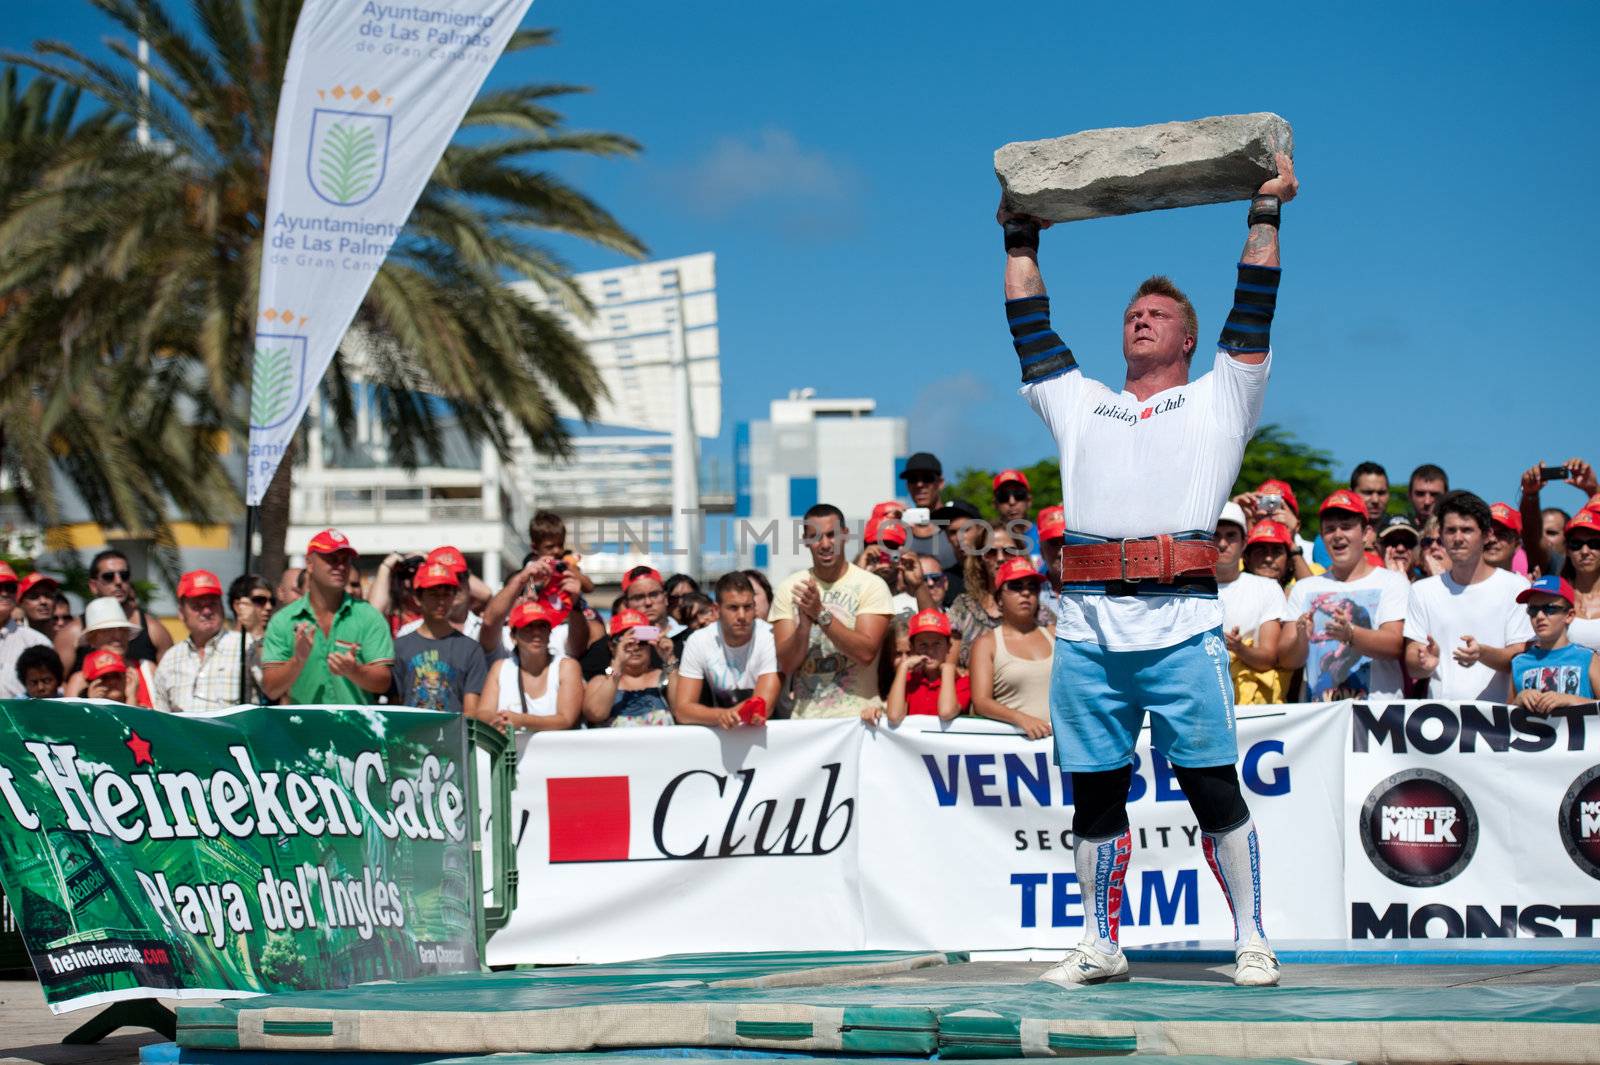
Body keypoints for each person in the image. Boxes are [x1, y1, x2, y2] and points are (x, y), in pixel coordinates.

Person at [999, 149, 1295, 988]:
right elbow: (1029, 331)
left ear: (1188, 337)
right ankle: (1100, 940)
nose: (1140, 319)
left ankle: (1253, 936)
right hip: (1088, 632)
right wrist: (1021, 239)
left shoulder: (1220, 397)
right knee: (1094, 798)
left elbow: (1254, 310)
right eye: (1133, 311)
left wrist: (1265, 212)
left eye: (1158, 312)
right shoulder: (1081, 400)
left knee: (1212, 789)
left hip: (1181, 628)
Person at [1277, 491, 1409, 701]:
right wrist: (1301, 637)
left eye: (1346, 527)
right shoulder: (1304, 589)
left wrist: (1351, 634)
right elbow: (1286, 660)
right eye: (1330, 529)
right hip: (1319, 719)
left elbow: (1395, 645)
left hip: (1377, 721)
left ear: (1366, 533)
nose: (1338, 535)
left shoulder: (1392, 582)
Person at [1403, 492, 1533, 701]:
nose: (1458, 538)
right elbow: (1413, 663)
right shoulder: (1422, 590)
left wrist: (1482, 653)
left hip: (1497, 721)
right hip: (1441, 720)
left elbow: (1520, 657)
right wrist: (1424, 662)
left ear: (1487, 535)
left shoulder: (1516, 586)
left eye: (1467, 530)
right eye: (1450, 531)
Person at [772, 503, 893, 719]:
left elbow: (866, 653)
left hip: (859, 720)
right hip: (806, 723)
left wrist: (821, 614)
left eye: (832, 535)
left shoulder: (871, 585)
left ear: (845, 535)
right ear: (806, 540)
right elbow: (787, 665)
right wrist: (804, 627)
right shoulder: (789, 588)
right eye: (816, 537)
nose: (825, 544)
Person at [261, 529, 395, 705]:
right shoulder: (283, 620)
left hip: (355, 730)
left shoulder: (369, 617)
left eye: (345, 560)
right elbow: (271, 690)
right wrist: (297, 661)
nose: (340, 566)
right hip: (302, 730)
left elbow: (383, 683)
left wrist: (355, 670)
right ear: (309, 563)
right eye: (332, 559)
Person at [673, 571, 781, 727]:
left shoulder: (769, 637)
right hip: (722, 732)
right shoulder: (698, 641)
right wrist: (721, 715)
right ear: (716, 610)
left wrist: (728, 715)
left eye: (748, 607)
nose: (742, 615)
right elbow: (682, 710)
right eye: (733, 608)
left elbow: (763, 708)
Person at [968, 557, 1053, 739]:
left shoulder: (1054, 634)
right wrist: (1021, 719)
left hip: (1061, 745)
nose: (1025, 593)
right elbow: (981, 702)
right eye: (1016, 586)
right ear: (999, 598)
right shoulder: (986, 644)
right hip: (1016, 747)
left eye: (1032, 586)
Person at [948, 526, 1055, 669]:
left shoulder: (1039, 612)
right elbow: (948, 666)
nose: (1000, 558)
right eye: (991, 552)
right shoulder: (963, 608)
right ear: (980, 559)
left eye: (1009, 552)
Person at [1215, 503, 1288, 705]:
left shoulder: (1268, 588)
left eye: (1231, 536)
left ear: (1244, 542)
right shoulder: (1187, 590)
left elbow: (1268, 658)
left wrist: (1240, 648)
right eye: (1216, 535)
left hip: (1253, 709)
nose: (1222, 544)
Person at [391, 562, 487, 715]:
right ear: (417, 598)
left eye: (447, 594)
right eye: (434, 595)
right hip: (411, 735)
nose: (441, 601)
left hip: (453, 736)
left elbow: (471, 712)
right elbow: (394, 704)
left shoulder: (471, 649)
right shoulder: (400, 647)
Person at [54, 549, 172, 670]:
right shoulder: (71, 634)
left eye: (124, 575)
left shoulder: (155, 630)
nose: (118, 581)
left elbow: (168, 680)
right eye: (109, 577)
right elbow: (58, 684)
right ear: (93, 586)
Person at [479, 601, 583, 734]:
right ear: (513, 636)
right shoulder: (500, 668)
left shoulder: (567, 667)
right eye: (528, 626)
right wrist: (501, 721)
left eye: (542, 626)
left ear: (550, 632)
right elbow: (483, 713)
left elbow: (566, 720)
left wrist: (522, 721)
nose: (536, 633)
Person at [152, 569, 247, 712]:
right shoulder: (170, 659)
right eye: (197, 605)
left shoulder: (245, 646)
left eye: (212, 604)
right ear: (181, 613)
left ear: (222, 607)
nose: (207, 611)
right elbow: (161, 716)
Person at [579, 565, 683, 681]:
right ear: (627, 604)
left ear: (665, 597)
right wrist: (614, 668)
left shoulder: (688, 637)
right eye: (638, 597)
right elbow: (588, 676)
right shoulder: (613, 643)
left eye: (654, 594)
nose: (648, 602)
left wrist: (670, 663)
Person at [1510, 576, 1600, 711]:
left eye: (1549, 609)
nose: (1540, 616)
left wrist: (1571, 700)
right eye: (1533, 610)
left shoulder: (1588, 658)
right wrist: (1518, 700)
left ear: (1569, 615)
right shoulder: (1519, 662)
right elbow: (1504, 720)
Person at [874, 608, 968, 724]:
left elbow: (946, 712)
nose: (930, 650)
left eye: (937, 644)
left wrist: (948, 669)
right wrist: (904, 666)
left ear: (948, 646)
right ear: (913, 648)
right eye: (923, 644)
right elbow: (894, 716)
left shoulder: (962, 682)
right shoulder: (909, 680)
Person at [583, 609, 675, 727]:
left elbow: (681, 711)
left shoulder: (665, 676)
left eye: (641, 641)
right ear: (612, 646)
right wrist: (617, 665)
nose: (635, 647)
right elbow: (595, 714)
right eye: (628, 642)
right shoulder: (600, 682)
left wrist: (670, 659)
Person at [63, 597, 156, 706]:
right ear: (91, 639)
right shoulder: (79, 681)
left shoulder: (147, 670)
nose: (118, 636)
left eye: (122, 629)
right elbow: (72, 720)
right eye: (107, 630)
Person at [1518, 459, 1599, 584]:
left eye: (1551, 533)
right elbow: (1533, 537)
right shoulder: (1549, 567)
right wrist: (1530, 495)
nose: (1585, 551)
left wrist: (1593, 490)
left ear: (1567, 539)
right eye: (1540, 532)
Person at [0, 562, 52, 699]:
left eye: (10, 587)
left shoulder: (36, 642)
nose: (4, 593)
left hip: (18, 719)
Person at [900, 452, 956, 568]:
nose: (919, 484)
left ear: (940, 483)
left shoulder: (956, 521)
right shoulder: (899, 528)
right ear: (907, 486)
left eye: (927, 478)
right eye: (913, 479)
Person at [993, 469, 1040, 565]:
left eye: (1019, 495)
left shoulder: (1045, 536)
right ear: (995, 504)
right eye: (1003, 496)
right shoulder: (990, 542)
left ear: (1029, 501)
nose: (1012, 502)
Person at [1243, 520, 1295, 592]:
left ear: (1289, 562)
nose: (1268, 559)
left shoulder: (1297, 598)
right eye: (1260, 551)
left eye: (1277, 552)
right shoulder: (1230, 595)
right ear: (1247, 558)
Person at [1036, 504, 1066, 617]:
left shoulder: (1098, 592)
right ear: (1041, 551)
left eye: (1066, 541)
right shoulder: (1031, 595)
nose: (1061, 552)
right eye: (1053, 543)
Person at [1375, 514, 1422, 582]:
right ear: (1378, 548)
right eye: (1392, 541)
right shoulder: (1371, 586)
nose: (1400, 549)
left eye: (1408, 541)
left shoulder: (1427, 587)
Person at [17, 572, 61, 639]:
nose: (43, 601)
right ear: (20, 603)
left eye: (48, 595)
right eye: (34, 596)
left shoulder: (65, 635)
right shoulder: (13, 636)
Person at [1484, 503, 1524, 574]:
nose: (1492, 539)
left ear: (1517, 545)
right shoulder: (1462, 582)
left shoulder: (1524, 584)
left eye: (1501, 534)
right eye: (1487, 533)